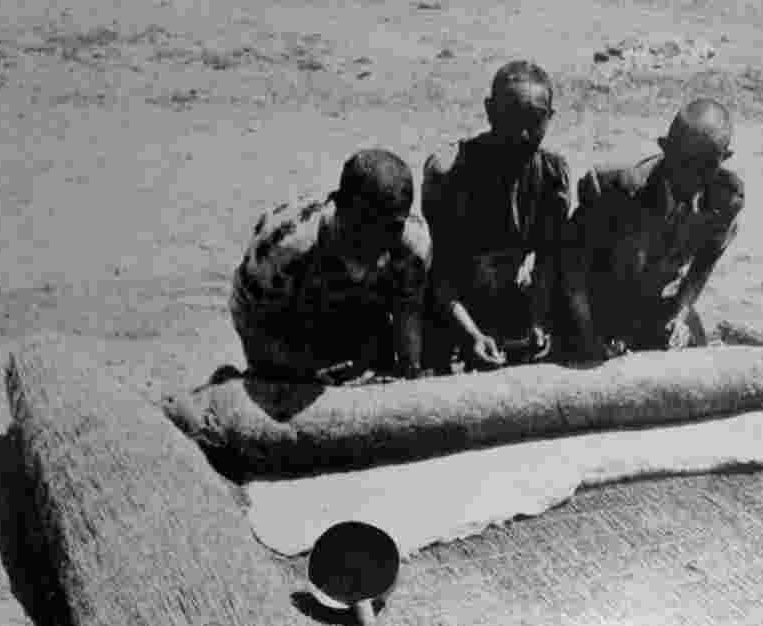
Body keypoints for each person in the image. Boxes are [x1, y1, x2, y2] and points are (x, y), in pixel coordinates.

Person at [556, 97, 745, 363]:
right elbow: (571, 264)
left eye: (707, 165)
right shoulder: (618, 187)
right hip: (591, 303)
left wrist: (680, 314)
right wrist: (587, 334)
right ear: (666, 148)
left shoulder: (725, 199)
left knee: (694, 366)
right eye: (684, 162)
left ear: (724, 159)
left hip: (650, 307)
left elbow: (703, 266)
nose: (693, 176)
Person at [228, 149, 431, 384]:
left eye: (392, 228)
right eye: (367, 226)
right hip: (288, 316)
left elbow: (408, 309)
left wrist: (409, 371)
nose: (380, 241)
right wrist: (294, 370)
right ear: (340, 207)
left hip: (357, 308)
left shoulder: (412, 244)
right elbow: (249, 313)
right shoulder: (287, 244)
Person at [421, 60, 571, 371]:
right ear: (490, 111)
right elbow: (440, 275)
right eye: (512, 119)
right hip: (456, 308)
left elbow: (547, 260)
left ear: (551, 118)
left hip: (515, 303)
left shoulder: (552, 175)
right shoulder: (451, 173)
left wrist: (539, 321)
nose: (524, 134)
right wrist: (472, 334)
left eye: (536, 121)